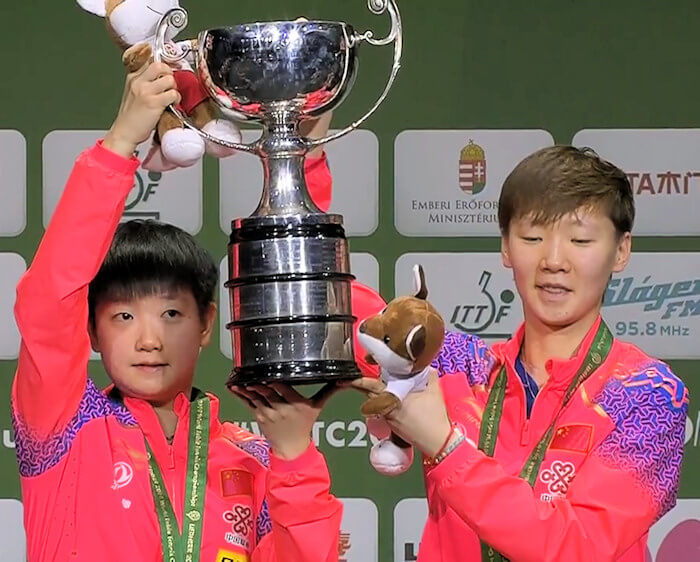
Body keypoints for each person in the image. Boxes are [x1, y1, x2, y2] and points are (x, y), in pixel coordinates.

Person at [11, 59, 372, 562]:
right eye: (123, 316)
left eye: (171, 314)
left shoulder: (252, 458)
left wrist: (293, 457)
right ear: (90, 329)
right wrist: (120, 143)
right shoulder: (66, 427)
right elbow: (48, 301)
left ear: (207, 323)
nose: (149, 339)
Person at [352, 145, 689, 562]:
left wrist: (444, 446)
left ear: (621, 251)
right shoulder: (459, 368)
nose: (553, 261)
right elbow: (336, 309)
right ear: (506, 248)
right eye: (532, 237)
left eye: (580, 240)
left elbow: (577, 548)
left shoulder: (648, 395)